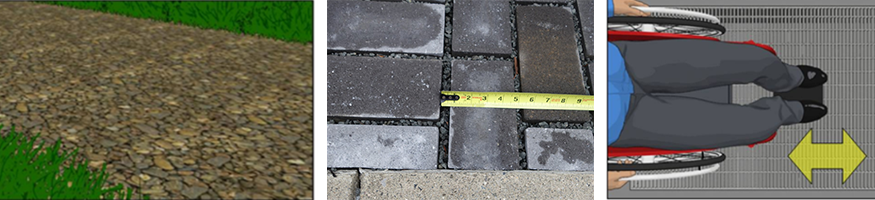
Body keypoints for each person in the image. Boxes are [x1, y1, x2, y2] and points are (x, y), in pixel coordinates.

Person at [606, 0, 829, 190]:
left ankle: (790, 77)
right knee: (750, 127)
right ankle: (791, 112)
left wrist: (607, 6)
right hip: (624, 123)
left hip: (619, 61)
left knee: (753, 59)